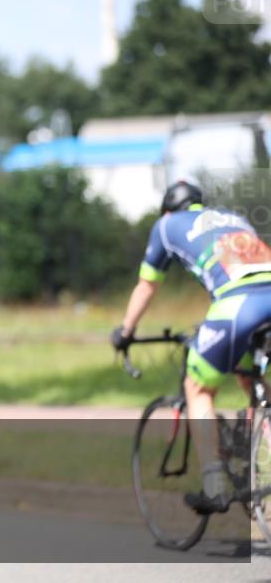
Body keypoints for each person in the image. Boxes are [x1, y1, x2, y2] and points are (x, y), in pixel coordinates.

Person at [111, 180, 271, 513]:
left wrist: (125, 332)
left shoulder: (167, 225)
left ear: (168, 208)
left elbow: (147, 286)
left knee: (197, 387)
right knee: (252, 380)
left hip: (240, 304)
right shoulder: (230, 217)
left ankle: (214, 487)